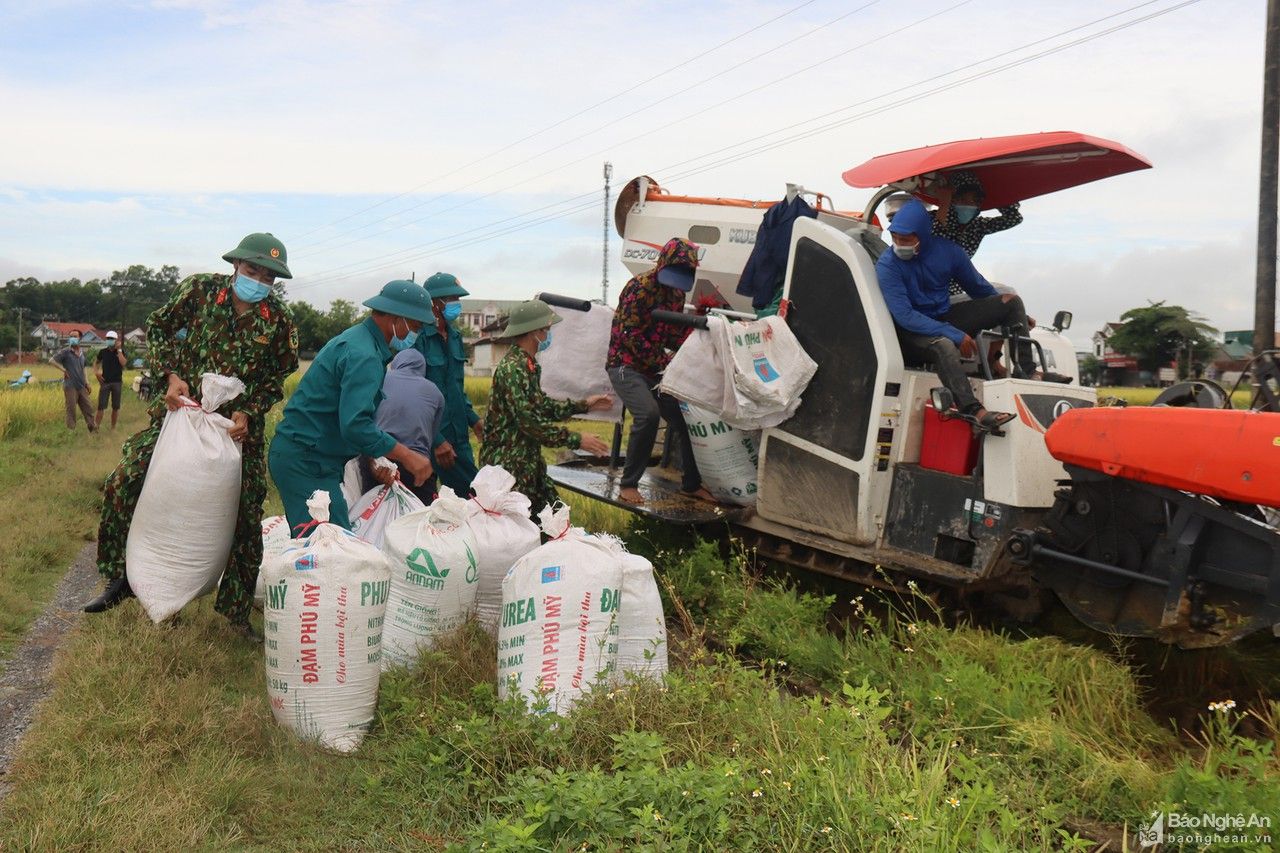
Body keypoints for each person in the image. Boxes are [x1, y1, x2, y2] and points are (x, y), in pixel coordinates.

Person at [84, 233, 300, 634]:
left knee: (248, 517)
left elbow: (276, 379)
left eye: (268, 277)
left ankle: (236, 614)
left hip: (234, 432)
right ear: (236, 265)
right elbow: (160, 327)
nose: (258, 280)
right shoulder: (200, 291)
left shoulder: (280, 325)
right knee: (124, 480)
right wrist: (171, 375)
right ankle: (121, 580)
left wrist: (248, 410)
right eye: (252, 270)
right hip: (182, 416)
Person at [269, 280, 435, 533]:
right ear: (397, 319)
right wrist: (407, 456)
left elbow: (348, 419)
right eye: (415, 325)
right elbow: (355, 426)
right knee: (325, 549)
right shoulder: (364, 355)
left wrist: (373, 459)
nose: (417, 333)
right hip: (305, 461)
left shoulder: (361, 342)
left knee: (336, 543)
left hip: (316, 460)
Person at [877, 199, 1038, 430]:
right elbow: (905, 316)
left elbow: (980, 289)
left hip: (941, 317)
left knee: (1010, 302)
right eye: (895, 238)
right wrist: (953, 333)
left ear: (923, 234)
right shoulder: (888, 266)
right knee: (944, 344)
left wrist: (1018, 315)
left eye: (906, 239)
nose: (899, 244)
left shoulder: (949, 252)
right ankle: (974, 411)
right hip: (909, 332)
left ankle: (1029, 373)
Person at [479, 300, 612, 518]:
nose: (549, 335)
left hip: (526, 462)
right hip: (509, 467)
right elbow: (530, 423)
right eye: (546, 330)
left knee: (553, 520)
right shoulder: (514, 369)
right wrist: (577, 440)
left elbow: (541, 406)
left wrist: (584, 405)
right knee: (523, 529)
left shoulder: (527, 365)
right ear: (534, 332)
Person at [606, 237, 713, 505]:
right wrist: (662, 363)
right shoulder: (639, 288)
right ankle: (628, 484)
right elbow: (629, 332)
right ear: (663, 263)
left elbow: (673, 334)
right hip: (625, 363)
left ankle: (691, 484)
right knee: (648, 414)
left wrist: (698, 345)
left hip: (654, 367)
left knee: (686, 416)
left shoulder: (677, 293)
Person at [414, 272, 482, 496]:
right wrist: (437, 440)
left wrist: (474, 420)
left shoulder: (455, 338)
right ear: (435, 303)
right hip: (428, 440)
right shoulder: (417, 340)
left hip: (459, 438)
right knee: (427, 502)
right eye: (452, 299)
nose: (457, 305)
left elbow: (456, 387)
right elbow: (412, 397)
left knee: (471, 499)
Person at [361, 348, 445, 505]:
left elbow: (363, 425)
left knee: (372, 517)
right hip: (417, 465)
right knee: (422, 518)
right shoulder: (435, 392)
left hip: (379, 462)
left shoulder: (380, 379)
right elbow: (430, 436)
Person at [51, 333, 97, 433]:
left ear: (80, 338)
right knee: (71, 409)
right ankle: (70, 432)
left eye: (75, 336)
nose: (73, 338)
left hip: (81, 385)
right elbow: (52, 360)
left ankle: (93, 429)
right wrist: (63, 370)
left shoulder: (81, 353)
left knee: (88, 408)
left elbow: (84, 368)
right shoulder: (66, 352)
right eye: (71, 336)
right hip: (70, 386)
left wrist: (87, 382)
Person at [95, 330, 127, 429]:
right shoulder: (103, 352)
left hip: (117, 382)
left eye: (112, 339)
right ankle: (96, 427)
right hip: (105, 382)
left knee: (115, 407)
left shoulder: (121, 352)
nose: (109, 340)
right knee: (101, 406)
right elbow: (96, 362)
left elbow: (123, 363)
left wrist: (119, 350)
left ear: (116, 340)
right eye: (108, 339)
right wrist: (97, 372)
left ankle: (113, 427)